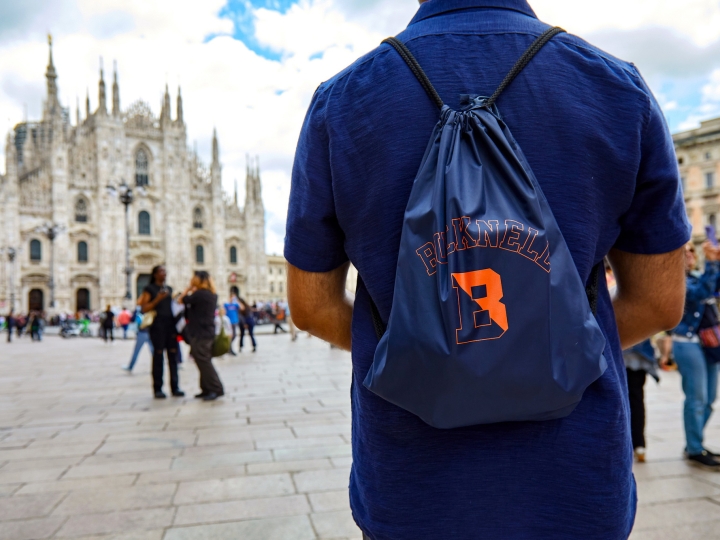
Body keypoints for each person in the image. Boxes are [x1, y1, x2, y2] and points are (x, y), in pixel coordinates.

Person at [284, 1, 689, 537]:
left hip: (413, 487)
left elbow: (310, 307)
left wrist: (426, 353)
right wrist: (540, 351)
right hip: (575, 483)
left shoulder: (341, 103)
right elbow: (660, 301)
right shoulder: (615, 88)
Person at [666, 242, 720, 469]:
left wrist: (715, 261)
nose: (689, 253)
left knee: (708, 401)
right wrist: (711, 262)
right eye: (684, 251)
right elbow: (701, 292)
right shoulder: (676, 281)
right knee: (696, 399)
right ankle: (694, 448)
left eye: (690, 250)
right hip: (687, 344)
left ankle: (694, 443)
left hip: (710, 344)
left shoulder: (698, 275)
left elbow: (713, 286)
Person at [138, 265, 184, 399]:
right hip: (157, 326)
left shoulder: (169, 289)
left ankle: (175, 387)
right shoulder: (149, 289)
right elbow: (144, 308)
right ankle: (158, 388)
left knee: (173, 357)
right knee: (158, 357)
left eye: (165, 271)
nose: (164, 274)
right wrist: (158, 299)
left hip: (170, 326)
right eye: (161, 271)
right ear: (155, 274)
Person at [179, 271, 224, 401]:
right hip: (205, 331)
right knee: (201, 360)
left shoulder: (199, 294)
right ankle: (206, 388)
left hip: (200, 333)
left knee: (204, 361)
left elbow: (181, 300)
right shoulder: (211, 294)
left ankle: (216, 388)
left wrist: (187, 289)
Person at [623, 339, 660, 463]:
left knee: (633, 399)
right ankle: (638, 444)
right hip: (634, 353)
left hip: (631, 355)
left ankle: (636, 443)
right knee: (635, 399)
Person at [123, 307, 154, 372]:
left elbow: (132, 319)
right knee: (153, 351)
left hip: (142, 332)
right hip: (150, 332)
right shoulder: (152, 307)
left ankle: (130, 366)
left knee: (136, 351)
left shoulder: (139, 309)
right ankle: (158, 367)